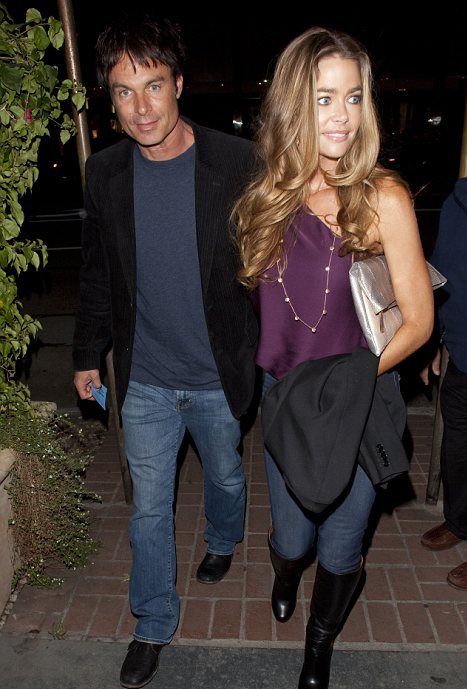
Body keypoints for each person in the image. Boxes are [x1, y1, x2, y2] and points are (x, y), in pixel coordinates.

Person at [233, 27, 434, 689]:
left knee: (343, 546)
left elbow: (419, 320)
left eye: (353, 97)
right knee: (294, 539)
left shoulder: (382, 198)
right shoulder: (267, 198)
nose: (343, 115)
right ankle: (285, 570)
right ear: (294, 104)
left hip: (353, 401)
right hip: (285, 400)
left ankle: (318, 646)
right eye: (324, 98)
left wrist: (353, 375)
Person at [72, 14, 258, 689]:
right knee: (149, 509)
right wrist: (87, 351)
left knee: (226, 477)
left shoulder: (235, 162)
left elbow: (268, 263)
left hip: (216, 373)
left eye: (153, 86)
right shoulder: (105, 172)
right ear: (111, 99)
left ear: (178, 83)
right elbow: (98, 273)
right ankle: (152, 622)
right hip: (146, 377)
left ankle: (223, 538)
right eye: (124, 92)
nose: (141, 107)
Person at [420, 177, 467, 589]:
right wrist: (436, 339)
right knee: (458, 449)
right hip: (462, 352)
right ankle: (460, 520)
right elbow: (443, 277)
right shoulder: (457, 201)